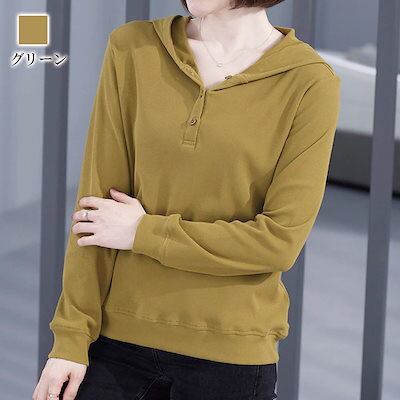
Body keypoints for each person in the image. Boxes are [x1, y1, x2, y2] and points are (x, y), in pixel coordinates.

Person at [32, 0, 341, 399]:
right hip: (114, 345)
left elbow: (278, 242)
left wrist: (143, 232)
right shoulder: (134, 47)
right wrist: (71, 337)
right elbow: (96, 213)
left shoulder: (309, 81)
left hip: (231, 357)